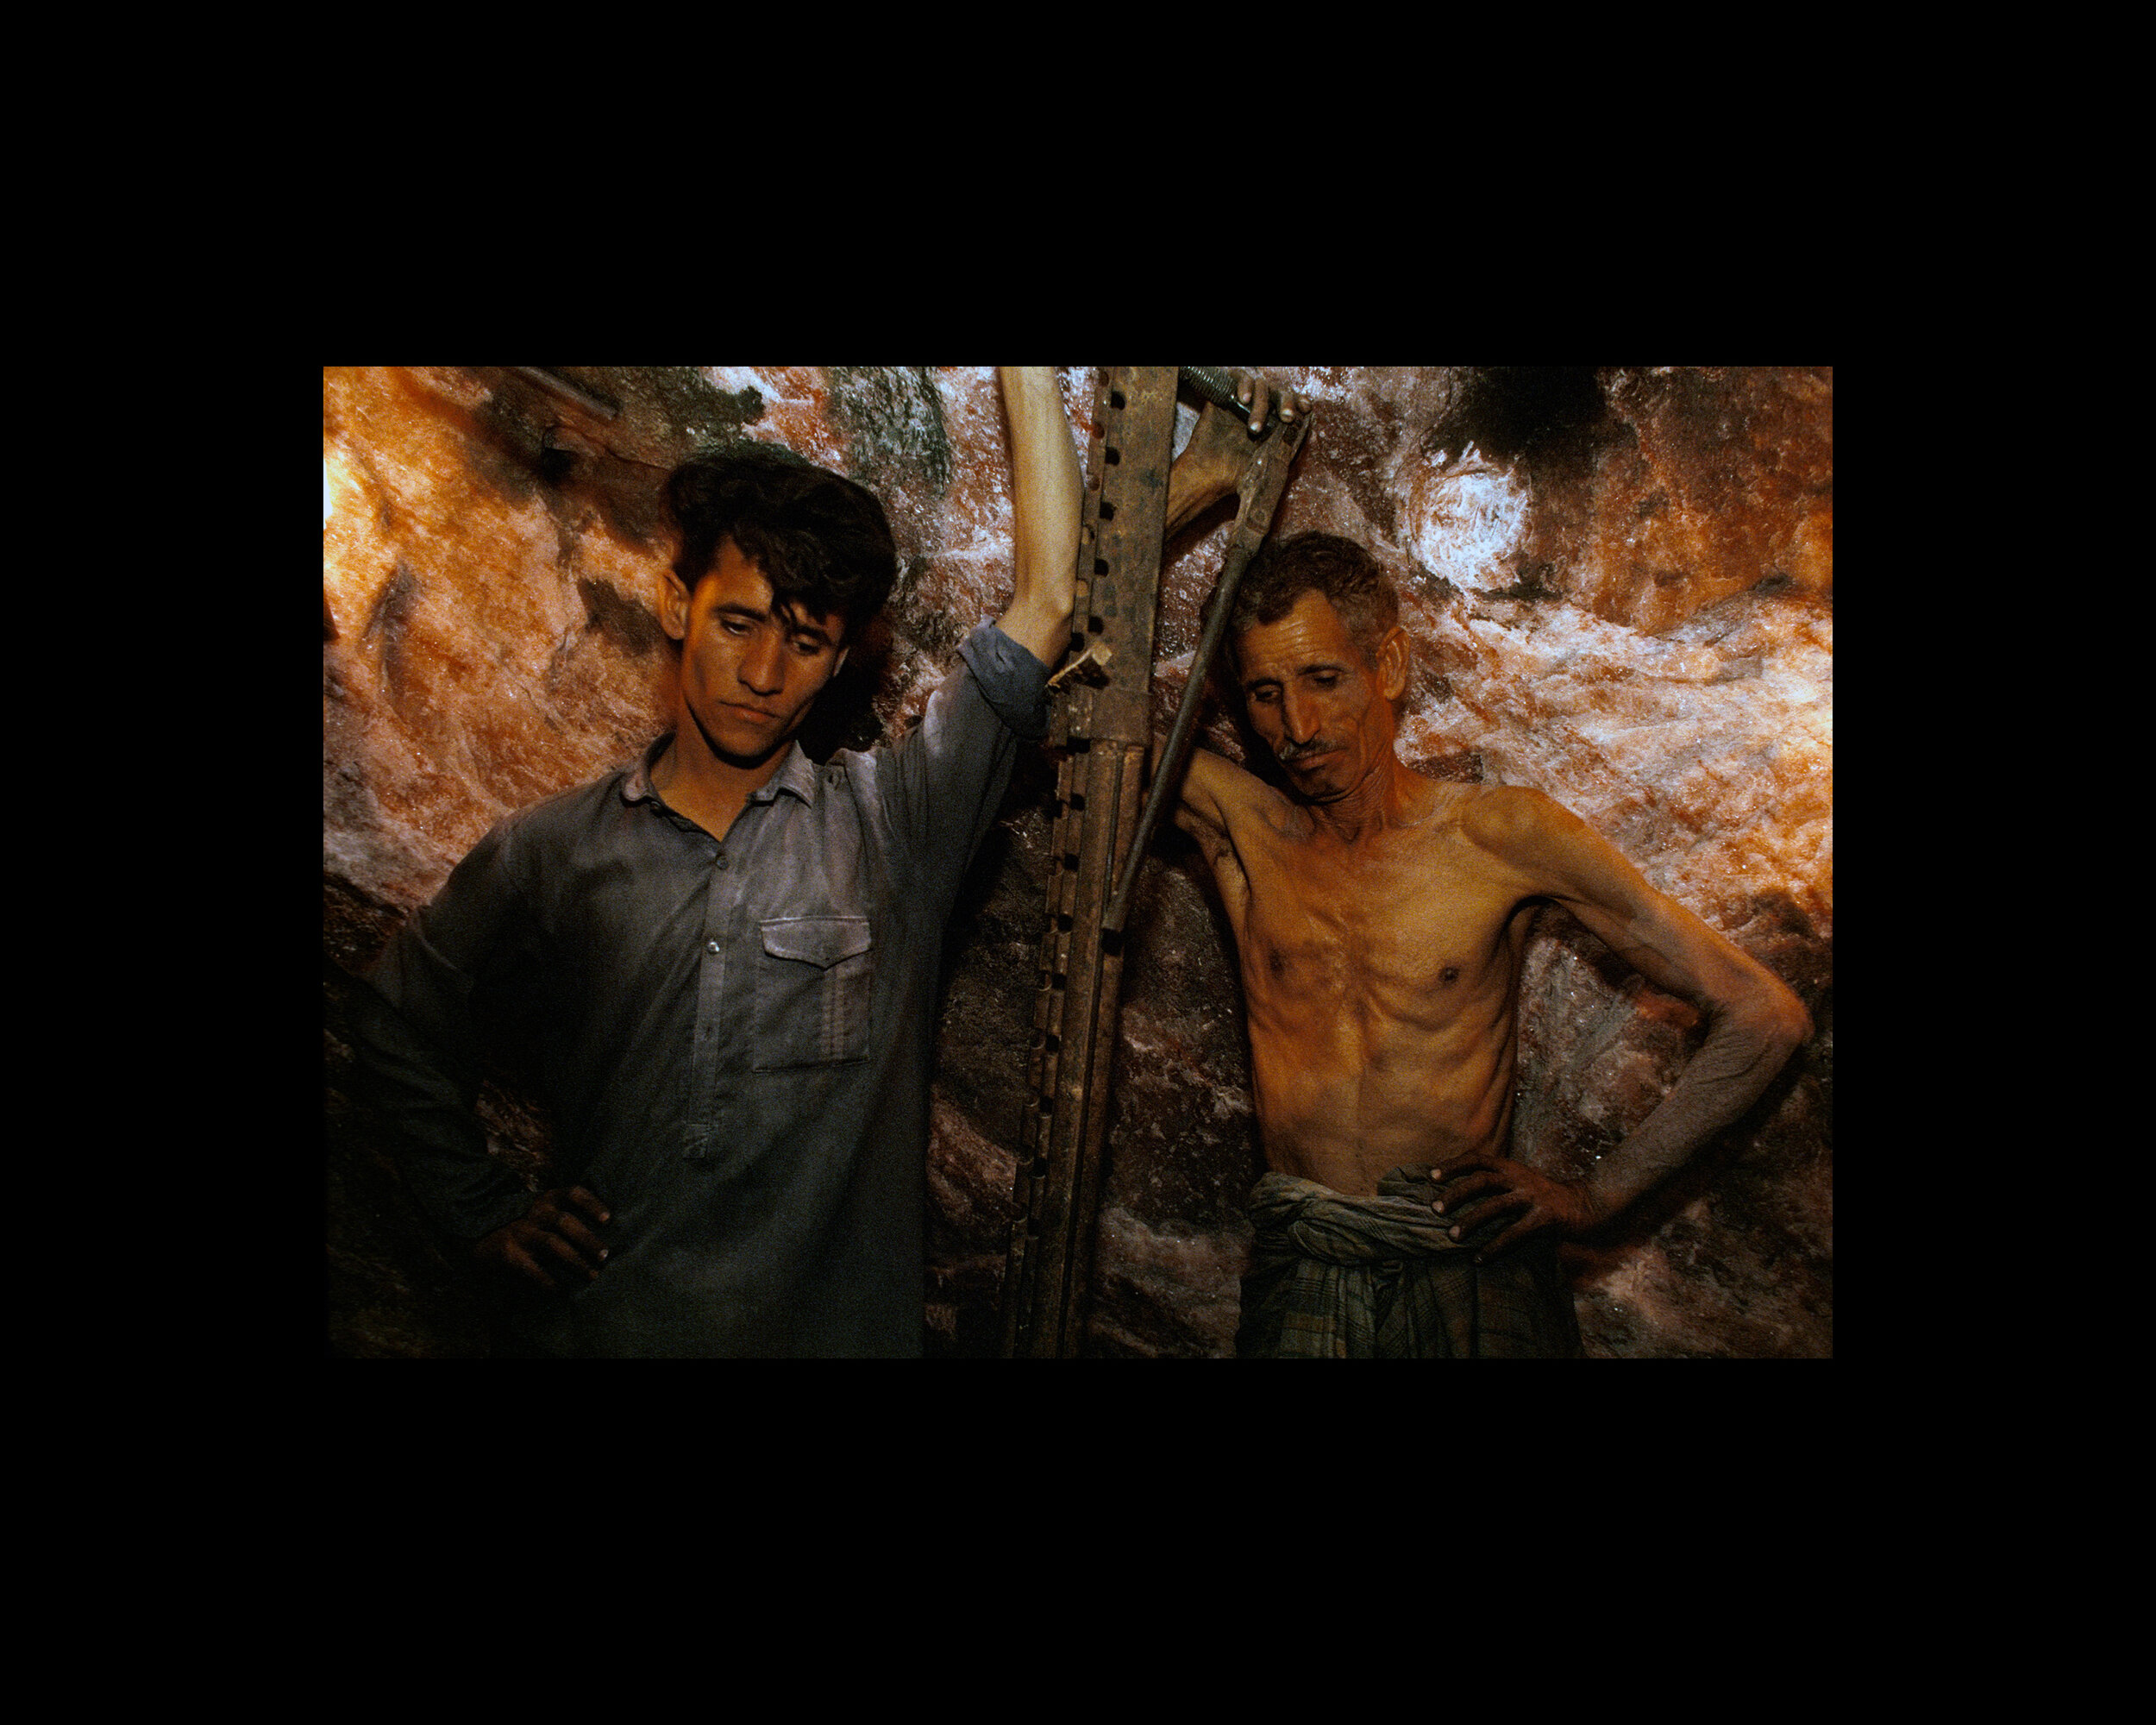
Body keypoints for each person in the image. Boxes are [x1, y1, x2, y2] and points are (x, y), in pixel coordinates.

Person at [1059, 374, 1813, 1358]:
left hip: (1471, 1261)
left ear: (1392, 668)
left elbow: (1765, 1015)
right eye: (1266, 694)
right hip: (1308, 1258)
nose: (1297, 727)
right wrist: (1198, 484)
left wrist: (1595, 1195)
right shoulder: (1239, 825)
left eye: (1325, 680)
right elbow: (1050, 695)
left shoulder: (1500, 834)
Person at [351, 366, 1081, 1357]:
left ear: (836, 662)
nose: (765, 673)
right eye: (737, 622)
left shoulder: (894, 828)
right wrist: (481, 1209)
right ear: (674, 603)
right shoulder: (555, 851)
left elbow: (1046, 598)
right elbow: (397, 1020)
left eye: (805, 641)